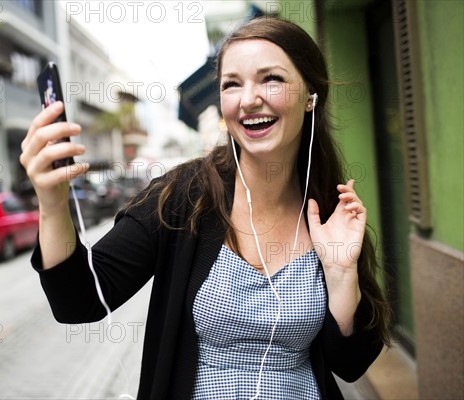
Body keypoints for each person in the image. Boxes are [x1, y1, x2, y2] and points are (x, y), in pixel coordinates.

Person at [20, 16, 392, 400]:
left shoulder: (331, 211)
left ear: (310, 95)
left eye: (271, 79)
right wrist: (51, 205)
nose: (249, 99)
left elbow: (350, 364)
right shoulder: (181, 196)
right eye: (232, 84)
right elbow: (78, 302)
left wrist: (341, 275)